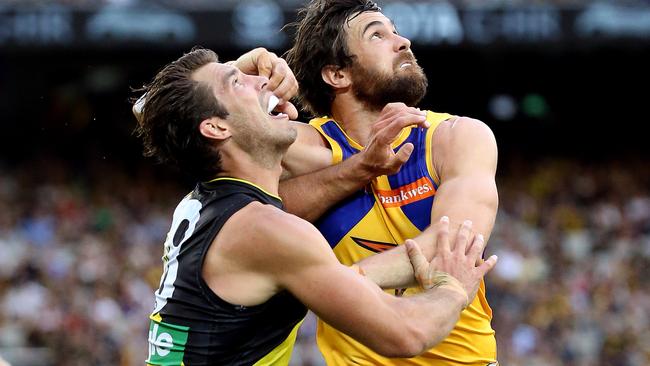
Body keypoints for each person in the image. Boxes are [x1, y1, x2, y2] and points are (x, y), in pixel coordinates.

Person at [135, 47, 497, 365]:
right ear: (215, 128)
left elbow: (149, 106)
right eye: (237, 82)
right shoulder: (265, 229)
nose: (260, 80)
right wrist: (453, 288)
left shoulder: (207, 204)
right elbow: (405, 334)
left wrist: (236, 69)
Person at [279, 0, 500, 365]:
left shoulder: (456, 137)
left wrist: (328, 285)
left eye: (395, 31)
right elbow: (199, 122)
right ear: (337, 75)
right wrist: (248, 71)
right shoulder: (303, 148)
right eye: (378, 34)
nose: (404, 42)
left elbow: (453, 245)